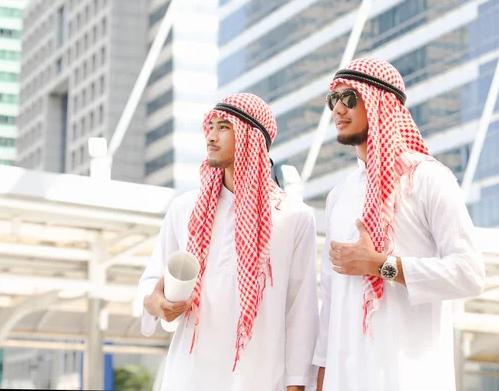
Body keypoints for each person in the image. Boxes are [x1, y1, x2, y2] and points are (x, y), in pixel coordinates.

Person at [312, 57, 486, 391]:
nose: (338, 109)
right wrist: (320, 377)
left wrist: (383, 266)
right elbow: (331, 300)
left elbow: (470, 273)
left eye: (350, 97)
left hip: (410, 377)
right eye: (333, 100)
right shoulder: (339, 196)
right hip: (346, 378)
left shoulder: (428, 179)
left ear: (381, 104)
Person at [137, 93, 320, 391]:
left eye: (224, 127)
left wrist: (297, 384)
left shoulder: (294, 216)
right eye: (210, 126)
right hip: (188, 375)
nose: (211, 136)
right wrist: (155, 303)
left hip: (260, 376)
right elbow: (151, 279)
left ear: (252, 137)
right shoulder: (185, 208)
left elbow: (301, 309)